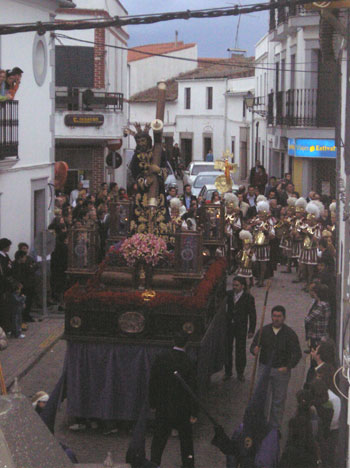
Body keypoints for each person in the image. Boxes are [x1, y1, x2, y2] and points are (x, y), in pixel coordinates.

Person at [149, 332, 197, 468]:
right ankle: (188, 464)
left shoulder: (161, 358)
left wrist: (152, 402)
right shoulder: (189, 361)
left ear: (173, 341)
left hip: (164, 405)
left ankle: (154, 463)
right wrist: (194, 412)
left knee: (159, 437)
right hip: (182, 408)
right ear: (186, 344)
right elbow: (193, 389)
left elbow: (153, 382)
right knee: (186, 439)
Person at [250, 305, 302, 430]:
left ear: (284, 318)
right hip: (265, 369)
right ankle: (260, 425)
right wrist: (254, 350)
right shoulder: (264, 331)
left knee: (278, 400)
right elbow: (254, 345)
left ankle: (274, 428)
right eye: (274, 316)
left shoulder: (290, 334)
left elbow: (297, 354)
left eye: (279, 316)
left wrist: (288, 367)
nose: (276, 319)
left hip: (281, 371)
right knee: (263, 398)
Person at [225, 277, 256, 381]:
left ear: (242, 286)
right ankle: (228, 372)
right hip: (229, 326)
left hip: (241, 327)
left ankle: (240, 372)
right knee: (228, 349)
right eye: (233, 285)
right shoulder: (228, 295)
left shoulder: (248, 298)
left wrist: (251, 329)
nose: (234, 287)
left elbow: (252, 315)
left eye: (237, 285)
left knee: (240, 350)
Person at [305, 282, 331, 349]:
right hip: (323, 333)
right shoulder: (326, 304)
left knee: (314, 352)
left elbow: (309, 319)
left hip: (316, 335)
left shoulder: (320, 306)